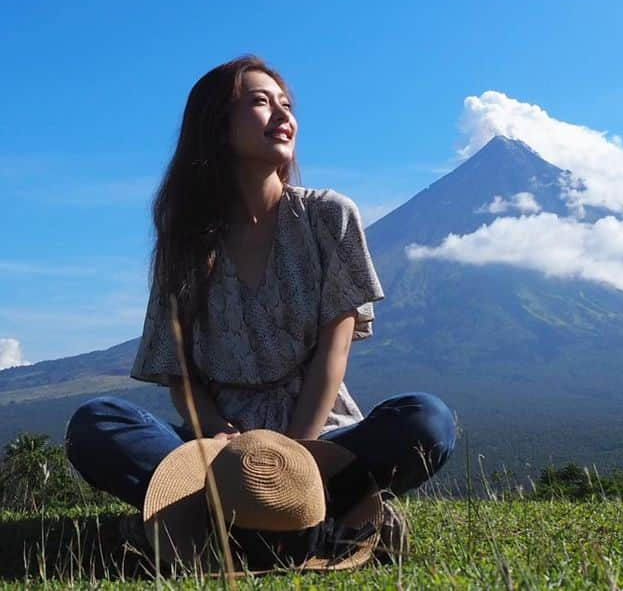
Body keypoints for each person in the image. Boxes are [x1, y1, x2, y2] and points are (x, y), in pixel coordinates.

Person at [65, 54, 455, 551]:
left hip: (320, 444)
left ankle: (208, 528)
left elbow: (334, 352)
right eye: (260, 102)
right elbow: (179, 370)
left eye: (286, 104)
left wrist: (289, 456)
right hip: (215, 451)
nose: (283, 114)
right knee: (94, 424)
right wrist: (222, 437)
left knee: (428, 420)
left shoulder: (328, 216)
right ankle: (325, 528)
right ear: (218, 128)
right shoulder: (184, 241)